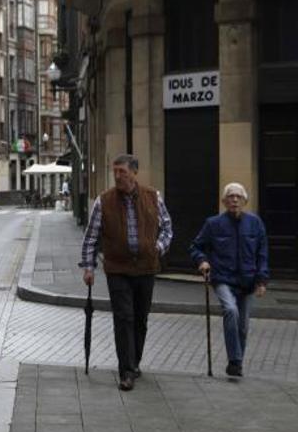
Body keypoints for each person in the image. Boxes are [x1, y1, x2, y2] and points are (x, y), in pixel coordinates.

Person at [79, 154, 173, 391]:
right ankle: (126, 371)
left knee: (140, 318)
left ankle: (135, 362)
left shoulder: (153, 197)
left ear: (134, 172)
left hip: (146, 268)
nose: (118, 176)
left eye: (122, 171)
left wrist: (157, 248)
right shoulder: (104, 201)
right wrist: (88, 267)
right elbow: (91, 237)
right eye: (115, 171)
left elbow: (167, 228)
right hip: (117, 269)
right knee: (123, 318)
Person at [188, 182, 268, 377]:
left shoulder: (255, 223)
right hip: (223, 278)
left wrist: (261, 280)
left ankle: (236, 362)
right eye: (230, 196)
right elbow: (196, 247)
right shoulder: (213, 224)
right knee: (230, 310)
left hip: (248, 281)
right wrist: (203, 261)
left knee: (243, 326)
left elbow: (262, 253)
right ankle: (235, 361)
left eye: (238, 197)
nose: (234, 200)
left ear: (245, 201)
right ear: (224, 201)